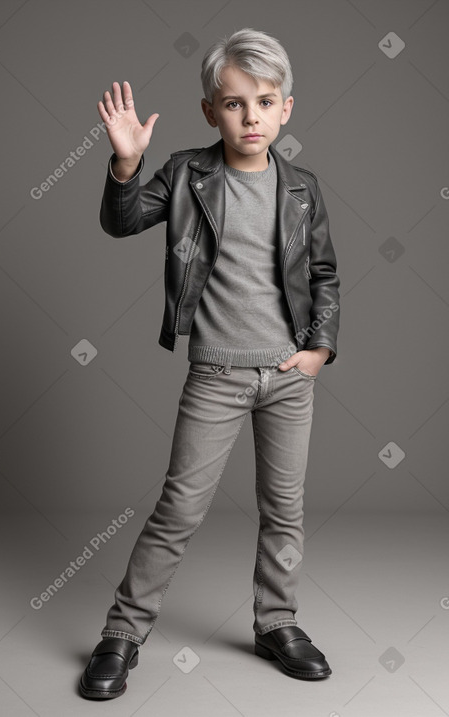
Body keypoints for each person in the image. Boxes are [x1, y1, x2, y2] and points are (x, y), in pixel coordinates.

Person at [79, 27, 340, 700]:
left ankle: (276, 622)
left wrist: (316, 350)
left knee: (284, 509)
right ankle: (121, 633)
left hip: (287, 380)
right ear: (209, 111)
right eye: (233, 103)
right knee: (179, 509)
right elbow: (123, 221)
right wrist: (126, 165)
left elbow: (324, 274)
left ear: (286, 108)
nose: (250, 116)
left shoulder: (303, 189)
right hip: (216, 377)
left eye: (264, 101)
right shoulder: (189, 174)